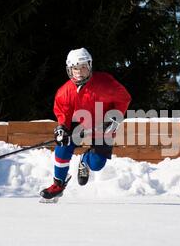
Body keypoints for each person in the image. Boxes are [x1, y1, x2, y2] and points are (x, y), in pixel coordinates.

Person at [40, 48, 131, 200]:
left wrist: (115, 117)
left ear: (90, 66)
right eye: (76, 69)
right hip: (80, 121)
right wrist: (62, 128)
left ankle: (85, 159)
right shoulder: (65, 91)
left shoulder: (106, 83)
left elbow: (124, 98)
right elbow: (63, 112)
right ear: (70, 70)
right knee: (63, 146)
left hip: (104, 123)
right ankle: (58, 184)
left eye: (84, 67)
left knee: (97, 164)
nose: (80, 72)